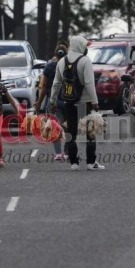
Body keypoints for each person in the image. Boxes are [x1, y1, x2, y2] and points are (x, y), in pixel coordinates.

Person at [49, 35, 105, 171]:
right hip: (85, 102)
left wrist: (52, 100)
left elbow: (56, 83)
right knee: (90, 133)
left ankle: (74, 163)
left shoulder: (62, 61)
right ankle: (91, 163)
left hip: (69, 102)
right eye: (85, 46)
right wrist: (95, 102)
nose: (86, 49)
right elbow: (89, 83)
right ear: (80, 46)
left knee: (71, 133)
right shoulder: (85, 61)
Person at [33, 42, 69, 161]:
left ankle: (58, 153)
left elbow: (43, 87)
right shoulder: (71, 66)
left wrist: (39, 103)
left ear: (55, 54)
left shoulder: (49, 67)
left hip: (53, 101)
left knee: (54, 126)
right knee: (70, 127)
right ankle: (67, 151)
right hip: (69, 101)